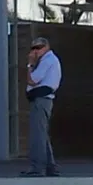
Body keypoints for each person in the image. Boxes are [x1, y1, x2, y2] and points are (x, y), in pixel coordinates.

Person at [22, 36, 62, 177]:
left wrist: (30, 64)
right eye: (33, 48)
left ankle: (37, 168)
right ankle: (50, 167)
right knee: (42, 134)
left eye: (38, 48)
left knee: (37, 135)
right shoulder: (46, 60)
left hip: (42, 99)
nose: (35, 51)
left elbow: (32, 80)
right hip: (40, 99)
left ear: (46, 47)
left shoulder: (47, 61)